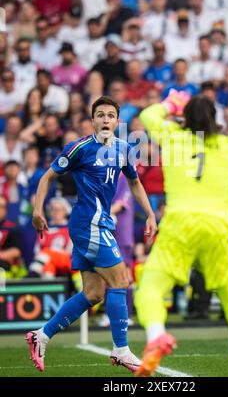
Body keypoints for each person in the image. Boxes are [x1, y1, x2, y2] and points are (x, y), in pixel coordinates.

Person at [26, 96, 157, 373]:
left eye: (111, 115)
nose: (106, 119)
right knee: (121, 278)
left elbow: (134, 182)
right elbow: (47, 176)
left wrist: (150, 213)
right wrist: (38, 210)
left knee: (94, 292)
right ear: (93, 119)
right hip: (89, 224)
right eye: (101, 115)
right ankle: (121, 349)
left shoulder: (123, 149)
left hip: (99, 224)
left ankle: (42, 335)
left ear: (117, 121)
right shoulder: (80, 148)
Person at [134, 91, 228, 377]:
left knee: (149, 290)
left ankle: (156, 336)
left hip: (178, 224)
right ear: (214, 119)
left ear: (185, 118)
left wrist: (169, 104)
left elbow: (148, 115)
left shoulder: (172, 136)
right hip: (218, 228)